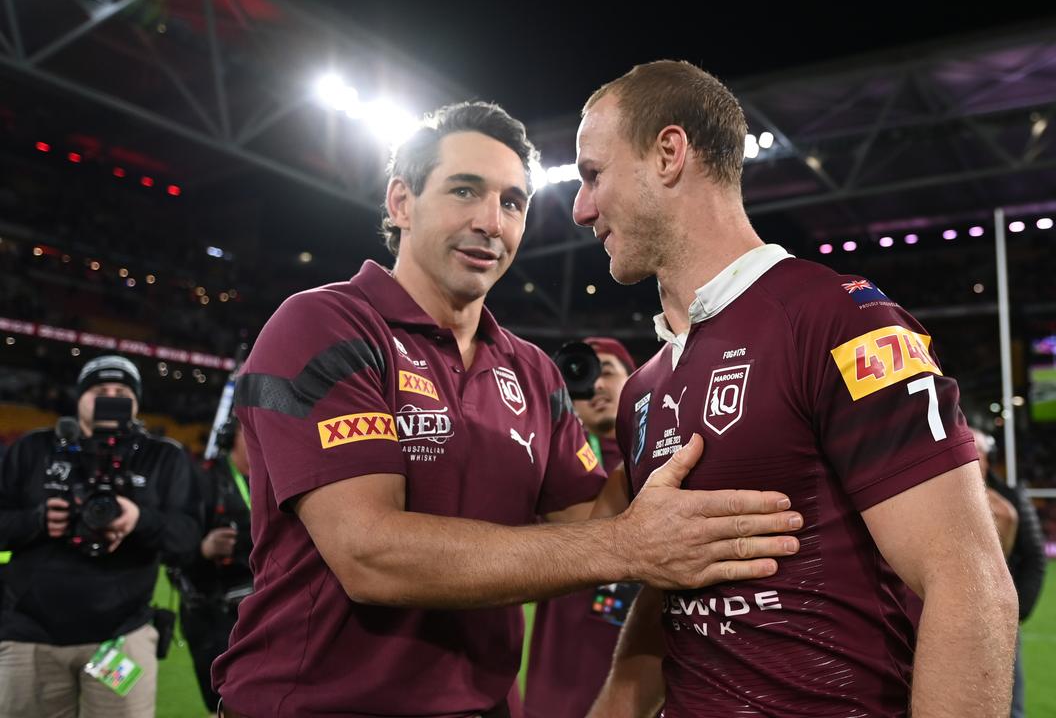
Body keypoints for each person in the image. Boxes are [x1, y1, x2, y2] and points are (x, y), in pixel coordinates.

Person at [211, 101, 803, 717]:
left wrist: (684, 416)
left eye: (513, 202)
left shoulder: (531, 370)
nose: (491, 222)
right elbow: (369, 554)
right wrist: (629, 547)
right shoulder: (325, 326)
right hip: (316, 706)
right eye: (465, 190)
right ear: (401, 203)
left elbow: (589, 519)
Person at [572, 60, 1018, 717]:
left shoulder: (841, 319)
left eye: (592, 175)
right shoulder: (642, 391)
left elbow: (969, 581)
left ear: (668, 153)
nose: (581, 209)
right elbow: (669, 603)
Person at [0, 354, 201, 717]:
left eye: (121, 390)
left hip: (121, 638)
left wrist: (139, 518)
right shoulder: (34, 449)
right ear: (79, 398)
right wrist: (38, 520)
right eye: (99, 389)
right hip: (30, 636)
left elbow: (187, 540)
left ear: (137, 402)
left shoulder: (162, 458)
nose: (111, 396)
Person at [524, 337, 637, 718]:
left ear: (635, 380)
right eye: (584, 378)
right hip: (561, 675)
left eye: (607, 371)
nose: (598, 387)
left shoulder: (668, 450)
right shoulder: (545, 461)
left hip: (644, 666)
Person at [169, 419, 253, 715]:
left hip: (262, 609)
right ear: (232, 436)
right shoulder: (202, 480)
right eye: (250, 428)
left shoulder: (275, 479)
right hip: (212, 614)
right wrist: (202, 548)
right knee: (224, 703)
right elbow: (170, 547)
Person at [974, 429, 1047, 718]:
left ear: (987, 459)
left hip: (996, 611)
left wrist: (1017, 610)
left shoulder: (1007, 504)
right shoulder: (936, 497)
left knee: (1006, 702)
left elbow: (1034, 558)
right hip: (942, 611)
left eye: (975, 450)